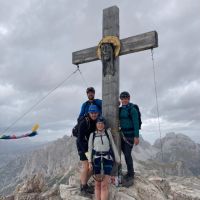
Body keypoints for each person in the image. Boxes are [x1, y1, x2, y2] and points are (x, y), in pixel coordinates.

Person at [88, 116, 120, 200]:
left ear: (104, 125)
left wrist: (117, 158)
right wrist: (89, 162)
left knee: (104, 185)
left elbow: (113, 145)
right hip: (96, 160)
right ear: (96, 124)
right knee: (97, 185)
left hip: (107, 160)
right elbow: (89, 149)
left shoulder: (107, 133)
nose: (100, 125)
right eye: (98, 123)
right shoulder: (92, 135)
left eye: (102, 123)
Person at [76, 105, 100, 196]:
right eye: (92, 113)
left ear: (98, 113)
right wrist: (86, 152)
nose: (94, 114)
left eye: (95, 113)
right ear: (89, 113)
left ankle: (84, 184)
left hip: (90, 146)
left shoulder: (95, 121)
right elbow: (80, 139)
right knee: (86, 166)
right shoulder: (84, 122)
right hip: (82, 146)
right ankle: (83, 188)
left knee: (91, 167)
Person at [119, 91, 140, 187]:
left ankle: (131, 174)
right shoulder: (119, 109)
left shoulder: (132, 109)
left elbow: (136, 123)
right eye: (122, 98)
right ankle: (126, 173)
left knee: (127, 154)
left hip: (130, 136)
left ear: (129, 98)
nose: (124, 100)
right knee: (121, 154)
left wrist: (136, 137)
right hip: (121, 135)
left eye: (126, 98)